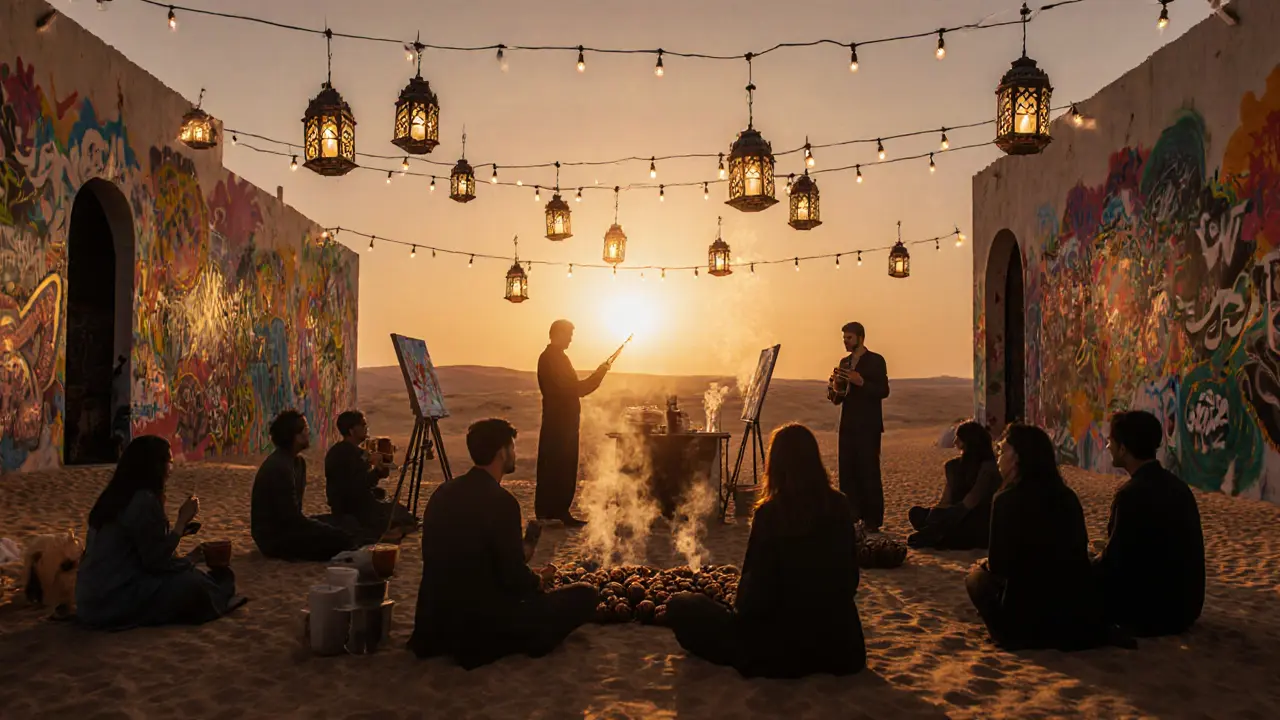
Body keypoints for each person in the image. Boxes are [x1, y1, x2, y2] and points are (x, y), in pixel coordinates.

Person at [665, 423, 866, 679]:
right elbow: (850, 580)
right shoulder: (839, 504)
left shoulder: (771, 513)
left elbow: (755, 594)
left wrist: (736, 606)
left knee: (682, 605)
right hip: (841, 649)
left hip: (784, 650)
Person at [408, 418, 599, 669]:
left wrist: (528, 550)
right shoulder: (502, 502)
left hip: (435, 621)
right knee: (585, 595)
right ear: (502, 452)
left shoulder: (442, 493)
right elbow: (512, 577)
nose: (515, 454)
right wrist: (538, 580)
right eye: (513, 447)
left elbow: (475, 557)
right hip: (477, 627)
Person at [965, 424, 1114, 651]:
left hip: (1026, 624)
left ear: (1018, 457)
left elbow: (999, 565)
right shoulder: (1067, 496)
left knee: (974, 578)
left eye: (1002, 451)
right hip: (1072, 618)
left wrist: (984, 566)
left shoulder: (1006, 499)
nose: (998, 457)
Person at [76, 436, 245, 629]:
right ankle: (221, 598)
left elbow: (145, 551)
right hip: (114, 601)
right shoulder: (143, 501)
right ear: (156, 466)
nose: (171, 470)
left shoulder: (113, 497)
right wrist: (182, 521)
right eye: (169, 462)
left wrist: (185, 554)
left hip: (89, 601)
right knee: (194, 584)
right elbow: (155, 562)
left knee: (194, 576)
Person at [1095, 410, 1205, 637]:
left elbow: (1116, 561)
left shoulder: (1130, 495)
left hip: (1148, 614)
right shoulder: (1179, 488)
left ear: (1123, 449)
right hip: (1185, 609)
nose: (1107, 447)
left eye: (1110, 442)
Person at [251, 410, 356, 561]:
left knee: (346, 522)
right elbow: (290, 519)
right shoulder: (279, 467)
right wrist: (330, 532)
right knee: (340, 539)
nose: (309, 433)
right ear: (296, 436)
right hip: (275, 539)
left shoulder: (298, 463)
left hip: (291, 527)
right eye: (306, 430)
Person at [535, 319, 611, 526]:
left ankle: (558, 512)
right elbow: (575, 390)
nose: (570, 339)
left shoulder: (556, 357)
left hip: (563, 422)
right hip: (558, 423)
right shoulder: (552, 358)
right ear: (558, 334)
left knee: (563, 466)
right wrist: (599, 374)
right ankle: (551, 513)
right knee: (557, 465)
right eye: (568, 335)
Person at [827, 321, 890, 531]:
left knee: (868, 471)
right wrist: (835, 387)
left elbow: (883, 390)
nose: (845, 342)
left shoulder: (876, 361)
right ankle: (851, 517)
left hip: (868, 426)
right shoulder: (844, 362)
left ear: (860, 338)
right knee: (847, 471)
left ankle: (872, 520)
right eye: (844, 338)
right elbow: (838, 399)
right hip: (847, 425)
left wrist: (861, 382)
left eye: (849, 338)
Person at [324, 410, 415, 543]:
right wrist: (376, 472)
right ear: (351, 430)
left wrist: (382, 465)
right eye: (362, 425)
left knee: (395, 509)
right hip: (351, 507)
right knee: (400, 516)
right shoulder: (346, 453)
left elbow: (371, 478)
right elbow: (358, 486)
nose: (366, 428)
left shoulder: (350, 451)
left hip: (353, 503)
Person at [907, 421, 1001, 550]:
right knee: (917, 513)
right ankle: (937, 533)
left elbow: (971, 501)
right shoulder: (954, 466)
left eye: (959, 438)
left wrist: (943, 518)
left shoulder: (988, 467)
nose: (955, 442)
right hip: (954, 514)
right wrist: (935, 513)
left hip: (976, 517)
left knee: (968, 525)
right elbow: (946, 500)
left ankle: (938, 534)